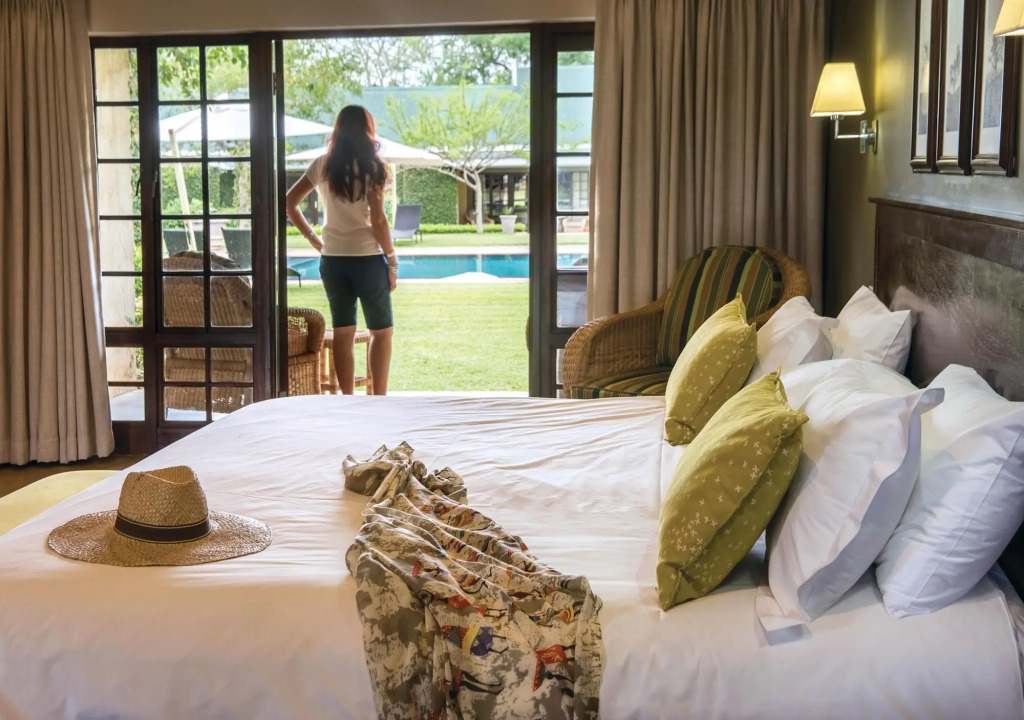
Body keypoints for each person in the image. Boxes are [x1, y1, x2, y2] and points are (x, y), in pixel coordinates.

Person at [285, 106, 398, 395]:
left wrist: (313, 238)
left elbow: (289, 202)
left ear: (338, 130)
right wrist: (392, 259)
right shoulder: (373, 167)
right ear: (367, 130)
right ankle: (379, 400)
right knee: (381, 332)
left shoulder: (322, 165)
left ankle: (347, 400)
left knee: (343, 332)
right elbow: (379, 220)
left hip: (333, 260)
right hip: (368, 260)